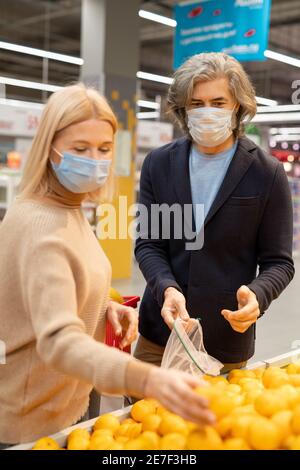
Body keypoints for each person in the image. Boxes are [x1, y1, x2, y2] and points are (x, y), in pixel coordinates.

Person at [0, 84, 214, 446]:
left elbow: (48, 297)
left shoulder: (68, 206)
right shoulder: (42, 227)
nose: (95, 160)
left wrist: (102, 309)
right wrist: (147, 380)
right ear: (49, 149)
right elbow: (57, 341)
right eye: (80, 149)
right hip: (30, 426)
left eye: (104, 149)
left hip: (61, 409)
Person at [134, 52, 295, 371]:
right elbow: (149, 243)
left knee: (217, 422)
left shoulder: (267, 173)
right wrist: (166, 287)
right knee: (141, 418)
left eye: (218, 102)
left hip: (225, 340)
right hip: (159, 333)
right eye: (196, 103)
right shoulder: (159, 164)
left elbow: (279, 262)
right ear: (183, 108)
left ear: (238, 106)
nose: (207, 112)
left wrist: (258, 295)